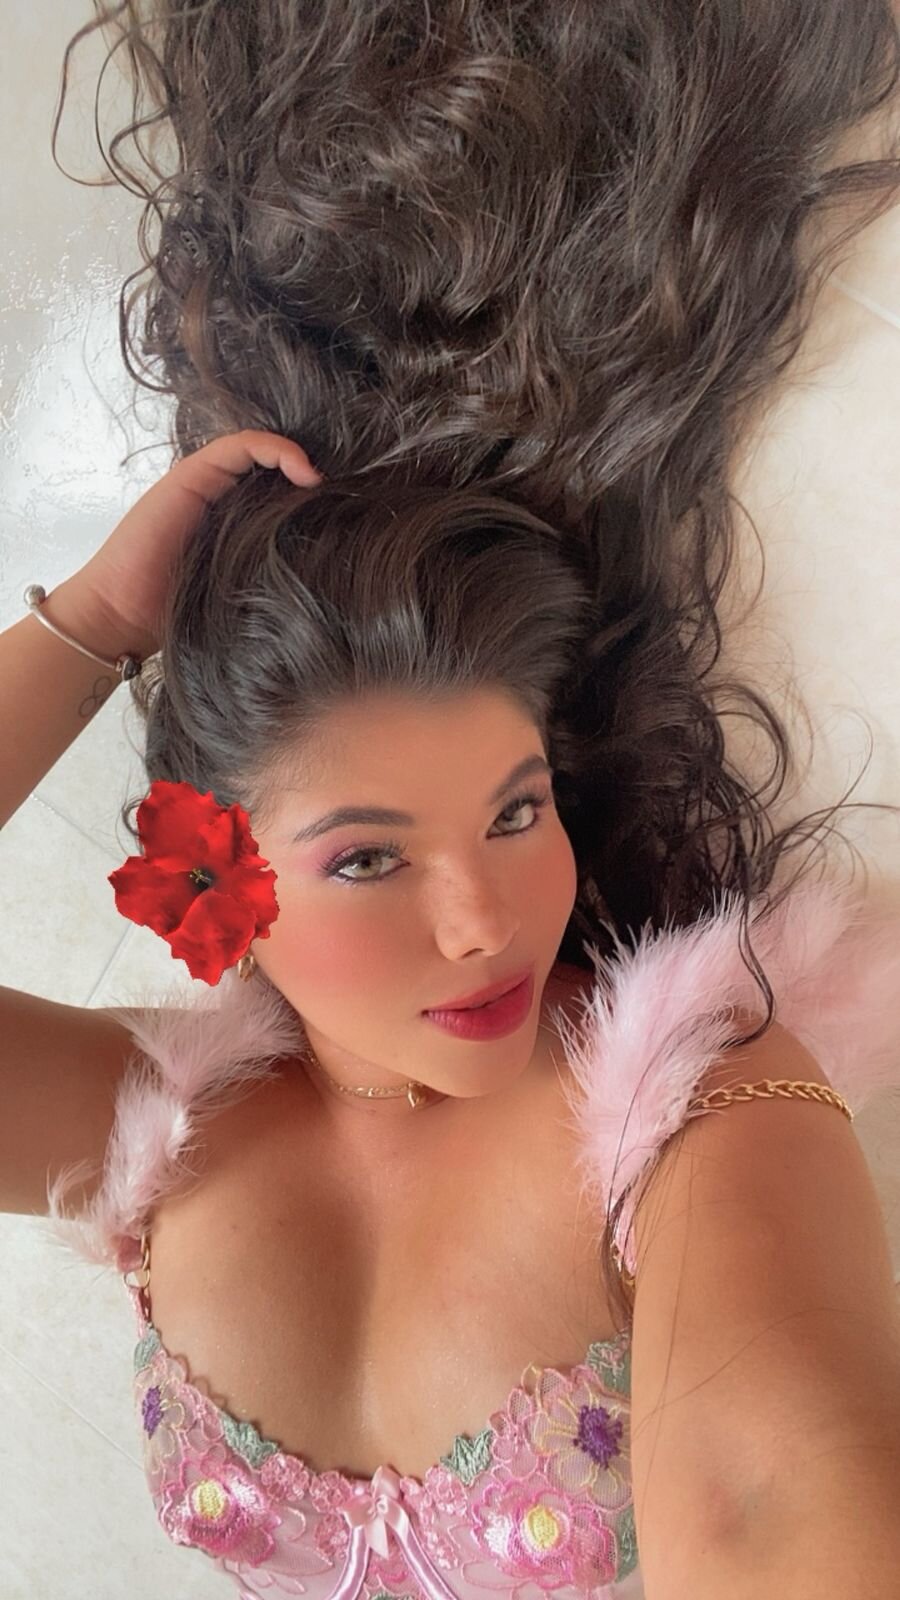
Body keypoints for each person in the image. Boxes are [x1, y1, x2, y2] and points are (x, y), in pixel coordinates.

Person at [5, 1, 900, 1593]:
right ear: (214, 876)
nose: (488, 920)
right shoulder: (168, 1133)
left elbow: (774, 1508)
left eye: (514, 810)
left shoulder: (698, 1108)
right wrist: (95, 618)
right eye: (368, 860)